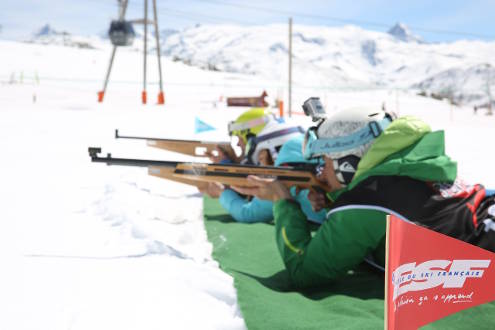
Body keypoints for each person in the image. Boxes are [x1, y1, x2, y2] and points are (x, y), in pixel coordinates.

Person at [233, 107, 495, 287]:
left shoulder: (367, 200)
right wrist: (336, 203)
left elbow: (304, 271)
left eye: (325, 161)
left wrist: (283, 202)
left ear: (347, 164)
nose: (322, 171)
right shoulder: (412, 168)